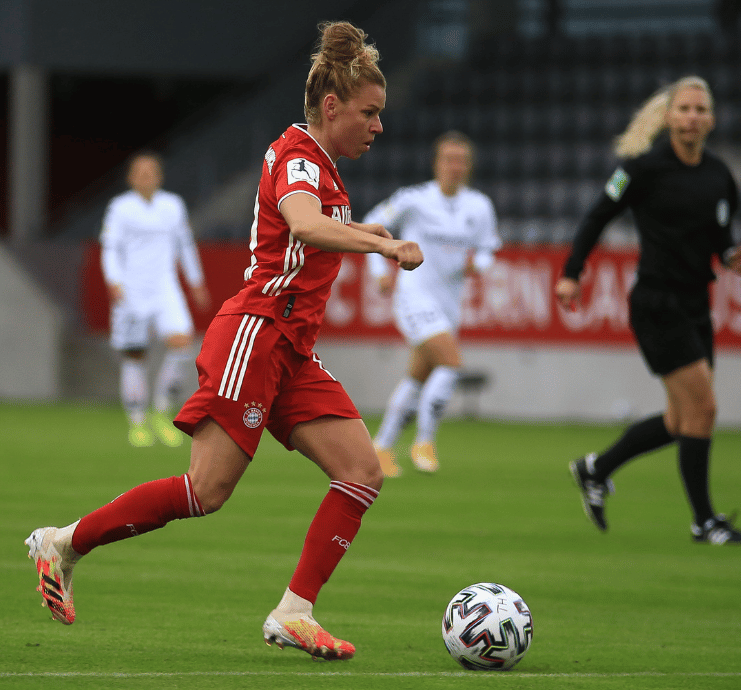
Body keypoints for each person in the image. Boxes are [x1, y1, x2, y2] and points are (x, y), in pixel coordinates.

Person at [26, 21, 423, 661]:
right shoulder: (299, 157)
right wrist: (384, 243)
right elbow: (302, 223)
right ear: (331, 106)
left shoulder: (319, 164)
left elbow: (315, 224)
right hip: (257, 335)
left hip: (290, 348)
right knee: (204, 492)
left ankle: (294, 611)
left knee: (360, 472)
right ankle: (65, 541)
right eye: (369, 113)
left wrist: (369, 229)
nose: (378, 126)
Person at [555, 75, 741, 545]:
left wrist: (732, 257)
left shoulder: (719, 175)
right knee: (703, 408)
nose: (692, 117)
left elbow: (720, 239)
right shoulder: (641, 169)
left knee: (680, 420)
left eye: (700, 110)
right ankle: (704, 522)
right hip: (656, 303)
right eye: (684, 109)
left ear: (711, 118)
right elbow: (597, 216)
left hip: (694, 304)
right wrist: (571, 272)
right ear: (668, 117)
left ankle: (596, 468)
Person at [365, 131, 500, 476]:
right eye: (449, 160)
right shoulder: (414, 200)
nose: (455, 167)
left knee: (418, 378)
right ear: (436, 164)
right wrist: (380, 268)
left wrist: (478, 264)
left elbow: (488, 248)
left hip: (449, 305)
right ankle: (424, 440)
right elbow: (370, 225)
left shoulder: (479, 206)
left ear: (469, 167)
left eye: (461, 161)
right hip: (413, 297)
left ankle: (380, 449)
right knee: (451, 363)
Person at [101, 151, 212, 448]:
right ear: (130, 178)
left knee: (183, 343)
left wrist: (196, 281)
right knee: (135, 354)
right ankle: (137, 423)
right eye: (140, 172)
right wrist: (113, 281)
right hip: (132, 290)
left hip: (166, 288)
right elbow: (110, 248)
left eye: (151, 172)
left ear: (159, 177)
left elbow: (185, 245)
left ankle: (162, 411)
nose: (145, 177)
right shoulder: (120, 208)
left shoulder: (172, 206)